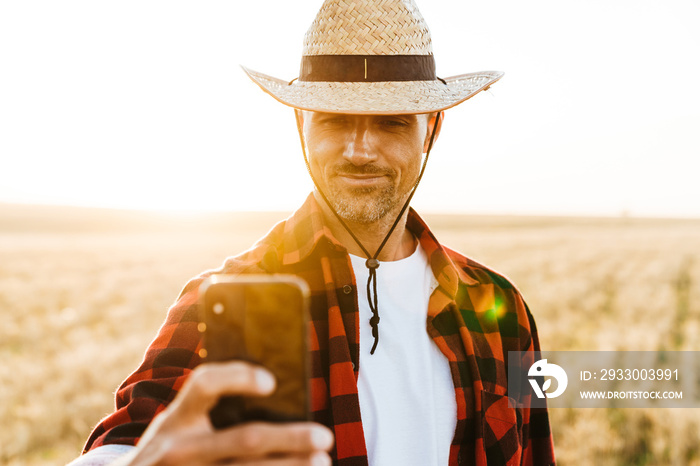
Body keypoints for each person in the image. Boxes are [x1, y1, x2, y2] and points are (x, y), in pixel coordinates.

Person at [71, 1, 555, 465]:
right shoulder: (229, 298)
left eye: (391, 123)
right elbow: (130, 436)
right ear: (300, 124)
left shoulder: (502, 310)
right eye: (336, 120)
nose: (360, 150)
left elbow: (535, 452)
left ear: (432, 131)